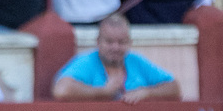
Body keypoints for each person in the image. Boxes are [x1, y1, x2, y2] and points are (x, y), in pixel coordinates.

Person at [52, 12, 181, 102]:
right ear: (98, 42)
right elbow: (61, 90)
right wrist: (103, 92)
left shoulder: (135, 61)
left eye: (121, 42)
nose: (115, 47)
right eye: (109, 42)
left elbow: (174, 87)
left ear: (129, 43)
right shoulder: (87, 62)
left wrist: (146, 92)